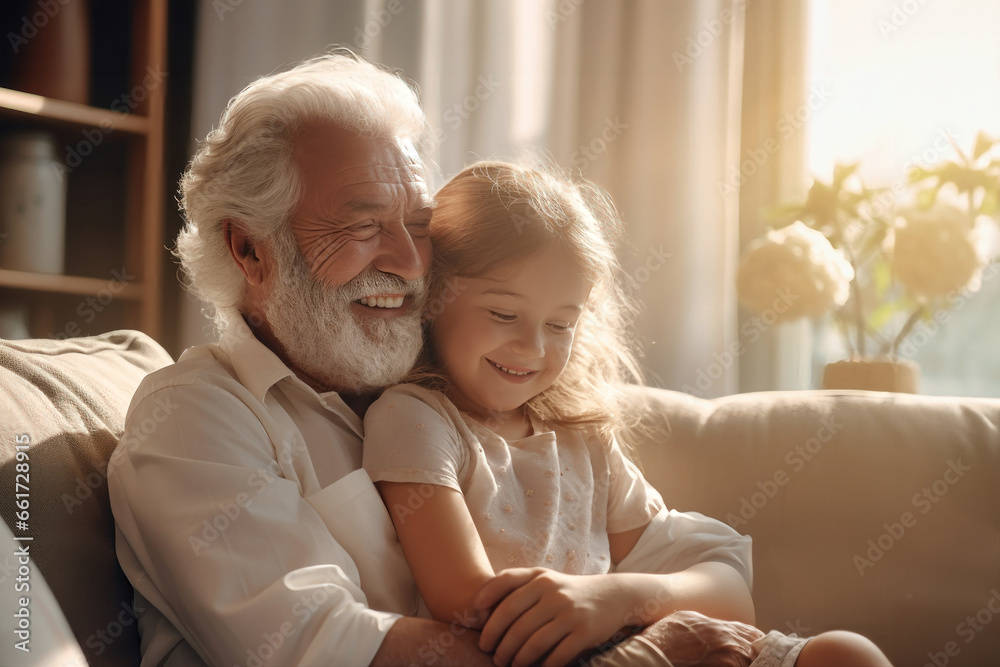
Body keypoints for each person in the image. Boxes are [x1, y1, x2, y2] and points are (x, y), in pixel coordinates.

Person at [106, 49, 802, 667]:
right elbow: (332, 647)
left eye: (417, 224)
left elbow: (706, 566)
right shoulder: (196, 415)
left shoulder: (471, 396)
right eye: (363, 224)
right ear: (250, 249)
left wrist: (623, 601)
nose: (411, 263)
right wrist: (651, 648)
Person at [362, 161, 895, 667]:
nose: (532, 346)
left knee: (846, 653)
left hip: (644, 636)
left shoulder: (581, 439)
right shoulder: (415, 419)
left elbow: (730, 592)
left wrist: (616, 597)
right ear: (431, 298)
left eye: (560, 324)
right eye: (504, 313)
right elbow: (470, 604)